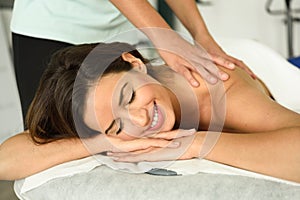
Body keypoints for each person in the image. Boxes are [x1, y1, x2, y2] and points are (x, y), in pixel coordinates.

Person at [0, 42, 299, 183]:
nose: (140, 120)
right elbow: (6, 161)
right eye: (117, 125)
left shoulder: (219, 90)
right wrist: (102, 142)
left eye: (129, 96)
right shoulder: (100, 107)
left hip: (269, 68)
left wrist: (192, 145)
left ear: (134, 62)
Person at [10, 0, 254, 122]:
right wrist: (164, 36)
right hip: (54, 28)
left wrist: (202, 35)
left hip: (120, 28)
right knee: (52, 142)